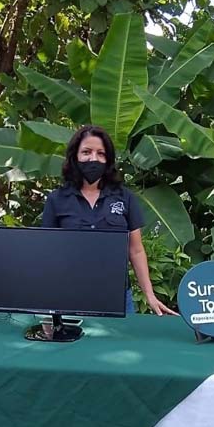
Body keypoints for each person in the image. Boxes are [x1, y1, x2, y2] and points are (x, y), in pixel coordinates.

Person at [41, 125, 178, 316]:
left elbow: (136, 250)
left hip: (118, 296)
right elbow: (47, 252)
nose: (93, 159)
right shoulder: (57, 199)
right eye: (86, 152)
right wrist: (46, 307)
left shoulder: (125, 197)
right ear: (75, 156)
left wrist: (150, 295)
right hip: (69, 295)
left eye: (101, 153)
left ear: (108, 159)